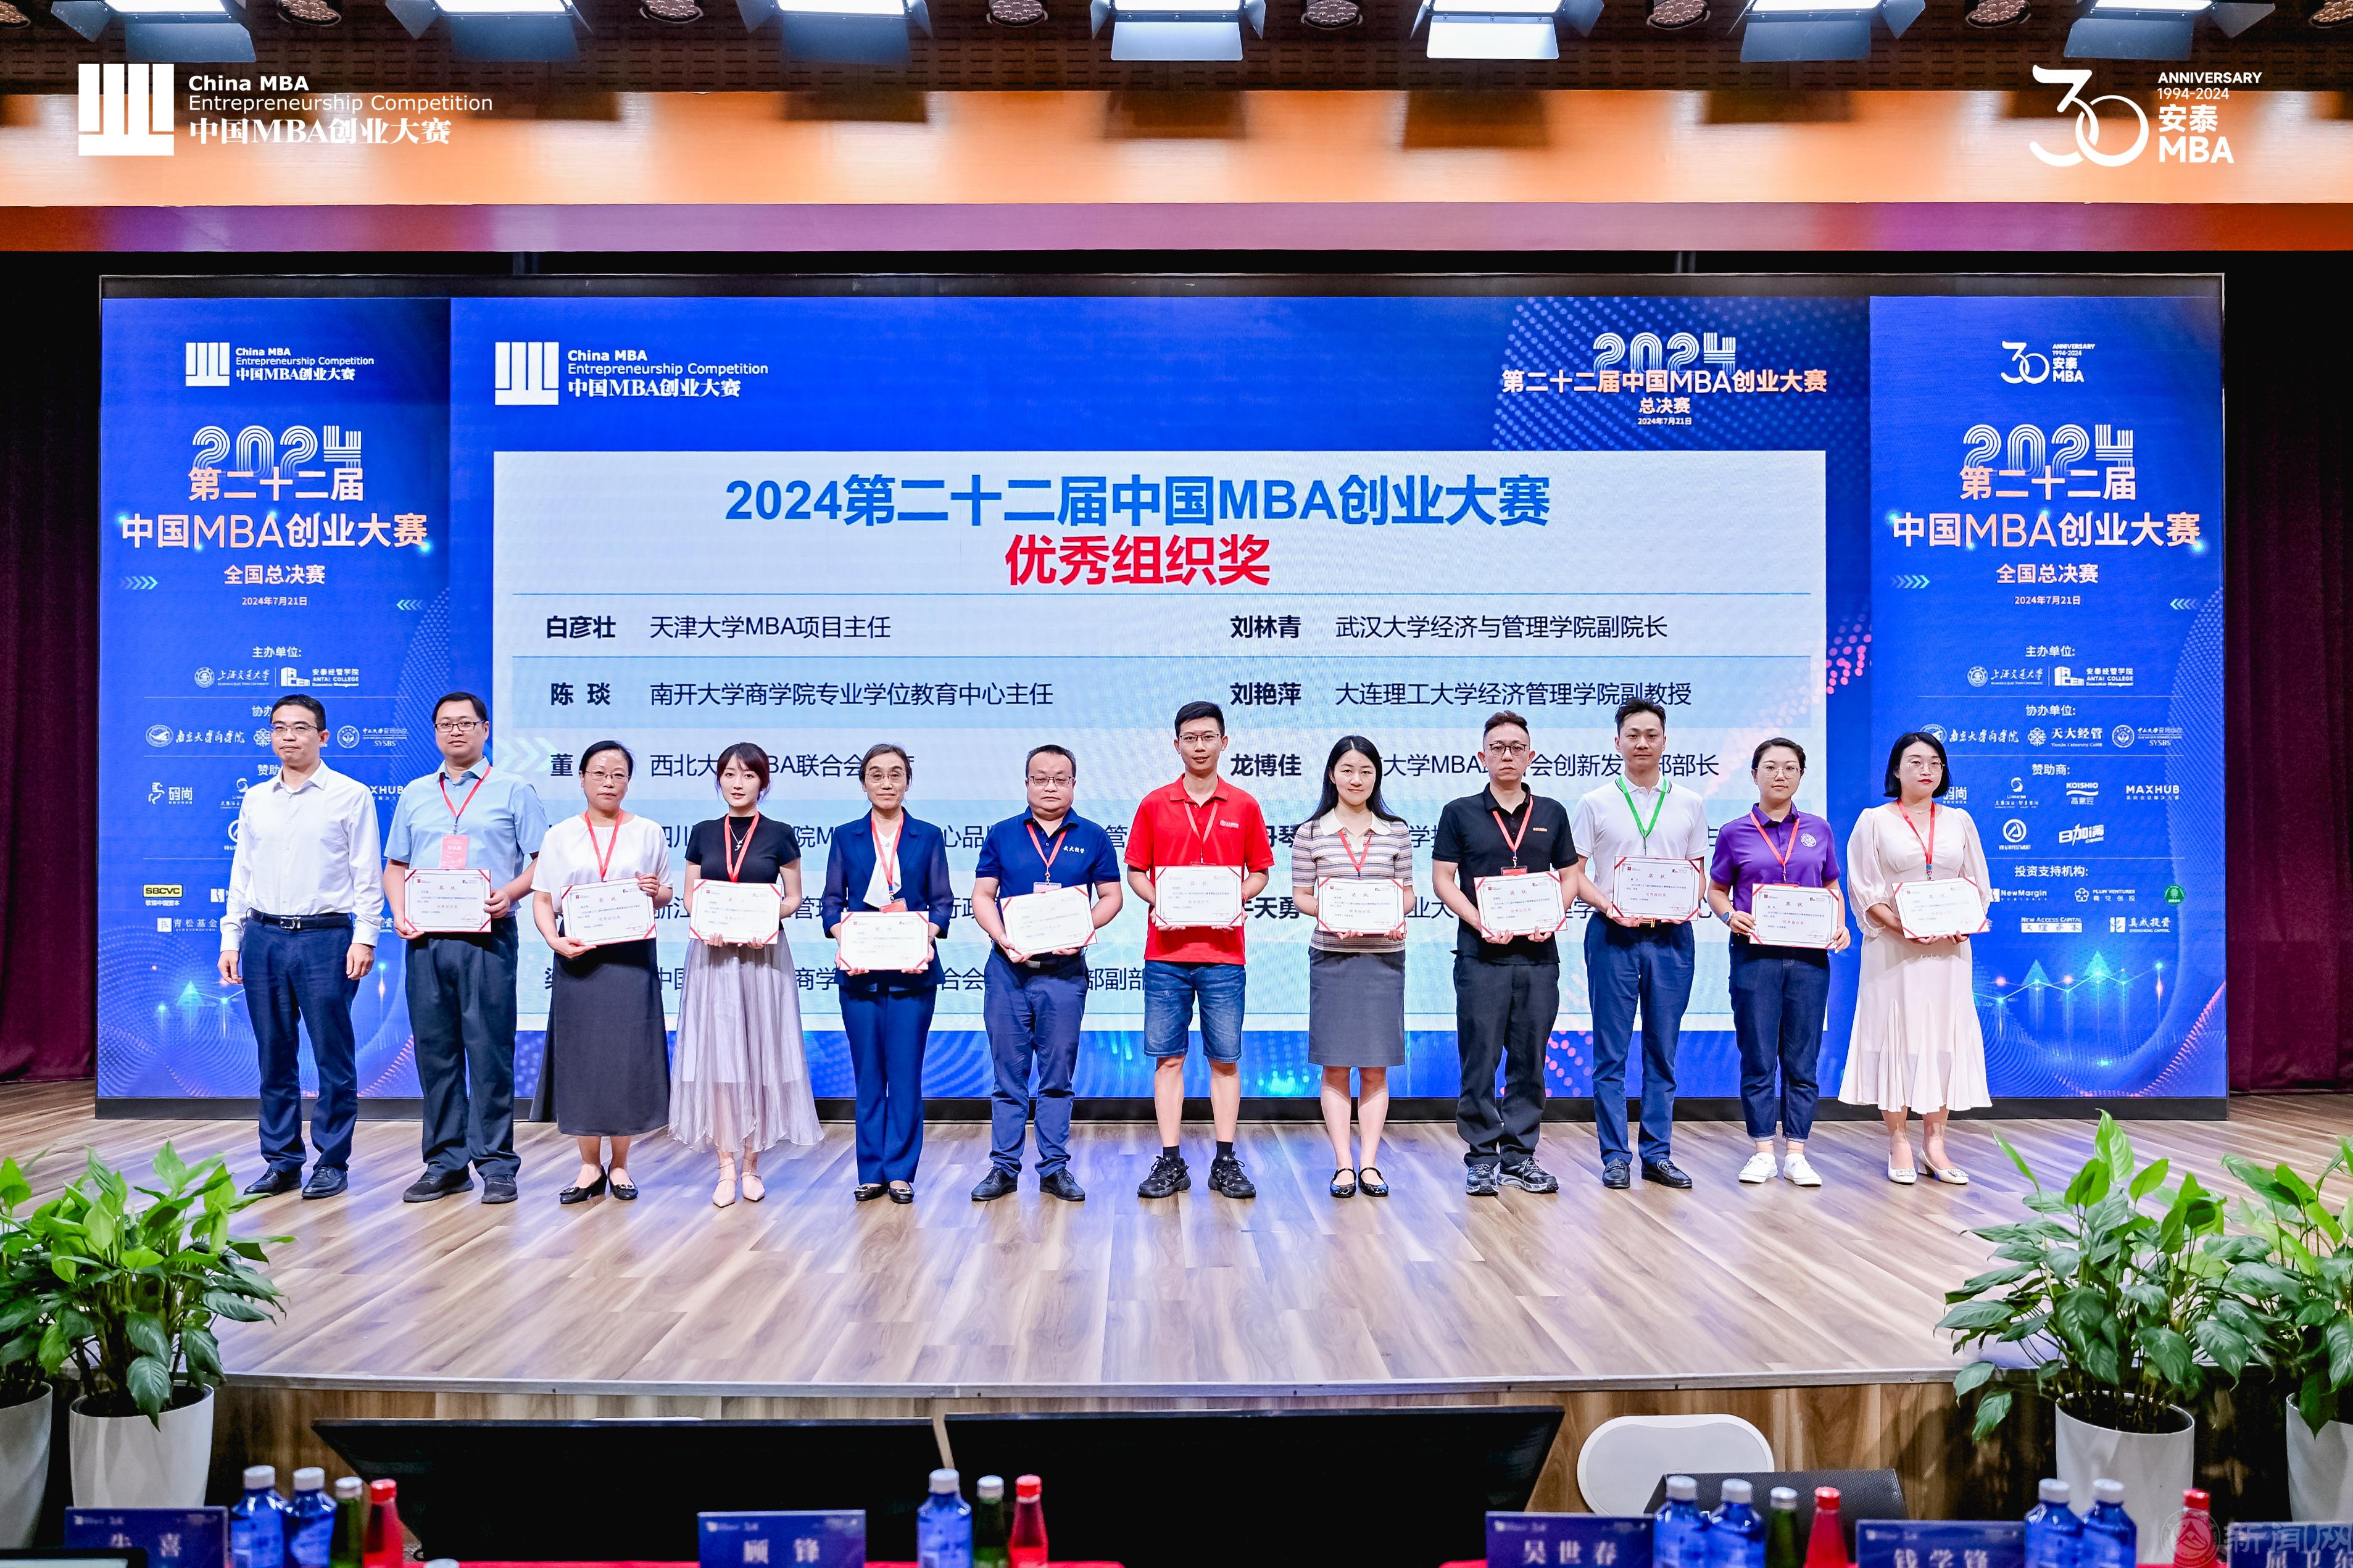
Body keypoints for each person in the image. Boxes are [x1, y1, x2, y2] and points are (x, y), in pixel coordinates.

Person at [384, 692, 549, 1205]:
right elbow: (395, 866)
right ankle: (445, 1163)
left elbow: (544, 860)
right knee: (436, 1053)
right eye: (445, 724)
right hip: (427, 939)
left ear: (485, 728)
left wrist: (511, 893)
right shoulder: (415, 793)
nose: (455, 731)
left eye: (465, 722)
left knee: (489, 1051)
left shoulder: (514, 790)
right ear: (435, 731)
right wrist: (398, 911)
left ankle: (496, 1164)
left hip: (488, 937)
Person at [220, 693, 383, 1201]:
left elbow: (367, 873)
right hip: (263, 936)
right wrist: (232, 937)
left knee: (333, 1055)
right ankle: (282, 1161)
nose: (288, 736)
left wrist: (365, 936)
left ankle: (332, 1161)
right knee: (274, 1054)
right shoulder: (256, 798)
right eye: (278, 727)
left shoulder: (351, 795)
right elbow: (242, 873)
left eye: (300, 727)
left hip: (326, 938)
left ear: (323, 736)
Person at [1125, 701, 1274, 1202]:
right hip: (1165, 955)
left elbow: (1260, 871)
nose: (1199, 746)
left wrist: (1234, 897)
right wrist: (1160, 900)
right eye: (1190, 738)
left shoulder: (1244, 805)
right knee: (1168, 1060)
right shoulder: (1154, 804)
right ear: (1176, 745)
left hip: (1224, 955)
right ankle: (1170, 1160)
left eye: (1208, 737)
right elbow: (1136, 872)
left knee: (1224, 1060)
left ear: (1224, 742)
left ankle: (1225, 1160)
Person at [1432, 710, 1585, 1198]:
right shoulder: (1459, 812)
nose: (1506, 755)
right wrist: (1479, 920)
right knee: (1478, 1059)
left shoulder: (1552, 813)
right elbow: (1442, 880)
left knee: (1529, 1060)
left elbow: (1570, 877)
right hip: (1480, 957)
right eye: (1497, 747)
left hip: (1538, 958)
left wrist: (1553, 916)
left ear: (1530, 755)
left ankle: (1520, 1156)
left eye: (1516, 747)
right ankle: (1481, 1157)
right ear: (1481, 755)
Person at [968, 744, 1125, 1203]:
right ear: (1026, 783)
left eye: (1060, 778)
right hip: (1008, 972)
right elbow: (982, 895)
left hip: (1064, 973)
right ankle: (1003, 1167)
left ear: (1073, 784)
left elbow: (1112, 896)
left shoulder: (1093, 836)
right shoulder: (1002, 834)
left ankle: (1054, 1168)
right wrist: (1003, 937)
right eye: (1040, 778)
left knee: (1057, 1077)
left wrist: (1083, 929)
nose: (1050, 787)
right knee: (1008, 1076)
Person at [1840, 730, 1992, 1184]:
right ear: (1896, 769)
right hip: (1894, 950)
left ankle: (1935, 1144)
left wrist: (1966, 922)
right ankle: (1898, 1141)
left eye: (1935, 763)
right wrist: (1902, 927)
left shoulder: (1959, 820)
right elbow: (1864, 889)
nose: (1926, 770)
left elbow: (1977, 883)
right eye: (1915, 762)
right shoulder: (1874, 821)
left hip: (1949, 952)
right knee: (1897, 1038)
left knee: (1942, 1039)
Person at [1572, 697, 1711, 1192]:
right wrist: (1609, 905)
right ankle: (1614, 1156)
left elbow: (1699, 872)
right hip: (1612, 934)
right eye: (1632, 735)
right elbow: (1575, 873)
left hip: (1671, 937)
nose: (1642, 743)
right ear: (1617, 742)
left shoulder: (1690, 802)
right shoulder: (1594, 802)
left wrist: (1684, 903)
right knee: (1610, 1053)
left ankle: (1657, 1153)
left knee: (1662, 1050)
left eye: (1651, 735)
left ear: (1665, 741)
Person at [674, 742, 821, 1209]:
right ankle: (724, 1167)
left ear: (763, 782)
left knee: (759, 1057)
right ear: (719, 779)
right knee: (720, 1062)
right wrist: (708, 920)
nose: (738, 784)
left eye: (748, 775)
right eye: (729, 774)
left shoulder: (779, 834)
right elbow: (691, 897)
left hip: (763, 956)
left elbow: (794, 897)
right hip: (714, 956)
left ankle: (752, 1166)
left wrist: (766, 918)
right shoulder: (702, 832)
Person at [529, 740, 673, 1203]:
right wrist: (553, 940)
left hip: (631, 960)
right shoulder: (560, 835)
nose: (608, 782)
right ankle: (589, 1165)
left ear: (628, 781)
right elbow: (543, 899)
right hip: (579, 957)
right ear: (582, 779)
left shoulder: (649, 831)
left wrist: (654, 890)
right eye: (599, 773)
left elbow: (666, 894)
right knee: (584, 1060)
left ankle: (622, 1165)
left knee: (627, 1059)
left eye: (618, 774)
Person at [1706, 737, 1852, 1190]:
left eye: (1790, 767)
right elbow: (1715, 890)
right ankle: (1762, 1151)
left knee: (1802, 1058)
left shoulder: (1818, 829)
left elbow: (1831, 886)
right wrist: (1729, 916)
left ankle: (1797, 1153)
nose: (1780, 775)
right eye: (1770, 766)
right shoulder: (1734, 832)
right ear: (1754, 775)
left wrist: (1840, 924)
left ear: (1801, 776)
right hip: (1755, 957)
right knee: (1758, 1056)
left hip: (1809, 960)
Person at [821, 742, 955, 1205]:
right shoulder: (845, 836)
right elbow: (831, 903)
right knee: (867, 1077)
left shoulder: (928, 836)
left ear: (907, 782)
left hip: (912, 977)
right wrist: (845, 938)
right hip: (859, 976)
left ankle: (900, 1171)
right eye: (876, 774)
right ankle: (871, 1170)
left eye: (895, 774)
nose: (886, 782)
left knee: (905, 1076)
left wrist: (923, 936)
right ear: (864, 783)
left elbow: (942, 903)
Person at [1289, 736, 1414, 1199]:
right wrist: (1330, 914)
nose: (1356, 779)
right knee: (1336, 1064)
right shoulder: (1310, 832)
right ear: (1332, 775)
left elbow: (1407, 894)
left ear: (1376, 775)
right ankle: (1343, 1163)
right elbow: (1301, 895)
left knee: (1376, 1067)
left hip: (1383, 958)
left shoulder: (1395, 831)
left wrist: (1395, 915)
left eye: (1365, 770)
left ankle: (1370, 1164)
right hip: (1332, 956)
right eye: (1347, 770)